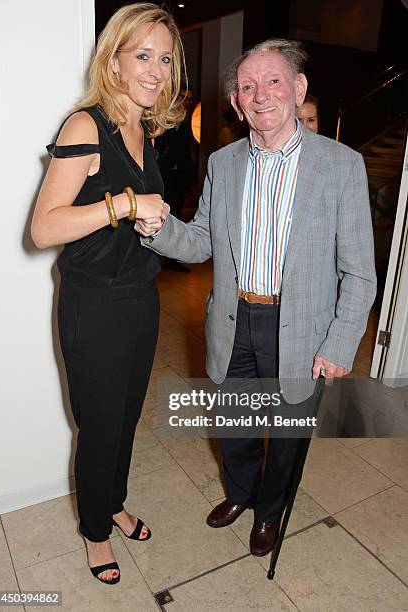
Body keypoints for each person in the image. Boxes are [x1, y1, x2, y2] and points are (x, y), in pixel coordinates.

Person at [136, 39, 376, 557]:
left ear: (298, 88)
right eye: (247, 87)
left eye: (272, 81)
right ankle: (241, 493)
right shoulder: (223, 164)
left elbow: (359, 272)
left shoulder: (340, 165)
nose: (260, 94)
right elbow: (201, 239)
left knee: (287, 435)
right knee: (234, 423)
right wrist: (156, 227)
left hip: (305, 325)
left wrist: (339, 344)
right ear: (237, 103)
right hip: (234, 316)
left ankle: (270, 510)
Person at [31, 3, 185, 584]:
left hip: (141, 301)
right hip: (92, 307)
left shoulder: (138, 127)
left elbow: (126, 216)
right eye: (142, 55)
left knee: (123, 422)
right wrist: (121, 206)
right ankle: (96, 531)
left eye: (165, 58)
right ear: (114, 59)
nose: (155, 69)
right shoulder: (85, 125)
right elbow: (44, 228)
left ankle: (112, 502)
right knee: (98, 426)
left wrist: (148, 220)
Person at [155, 89, 195, 272]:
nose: (186, 102)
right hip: (164, 173)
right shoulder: (162, 115)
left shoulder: (188, 120)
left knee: (177, 213)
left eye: (189, 99)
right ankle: (156, 257)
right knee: (160, 215)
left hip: (180, 173)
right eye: (183, 98)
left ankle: (171, 258)